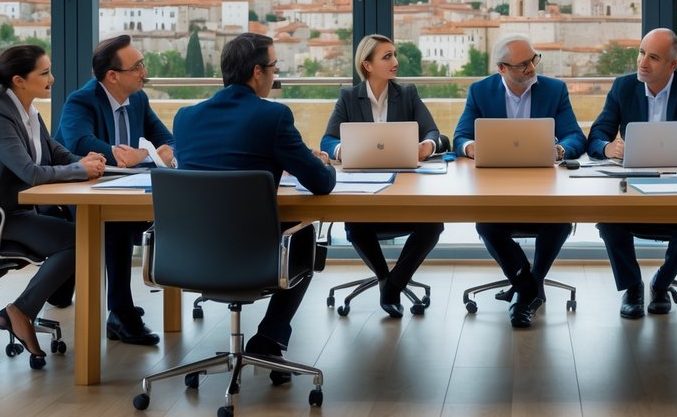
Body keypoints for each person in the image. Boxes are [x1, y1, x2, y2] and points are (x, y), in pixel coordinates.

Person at [0, 44, 107, 363]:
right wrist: (79, 171)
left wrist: (89, 162)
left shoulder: (27, 112)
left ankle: (21, 311)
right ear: (19, 80)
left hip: (9, 212)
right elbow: (30, 171)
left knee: (79, 237)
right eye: (44, 73)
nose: (52, 78)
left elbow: (55, 154)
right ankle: (20, 311)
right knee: (79, 240)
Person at [173, 32, 335, 379]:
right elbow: (321, 184)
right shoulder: (273, 117)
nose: (276, 74)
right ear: (258, 72)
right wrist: (320, 162)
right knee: (307, 238)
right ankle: (269, 337)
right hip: (255, 256)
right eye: (275, 67)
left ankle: (268, 338)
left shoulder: (185, 117)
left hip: (190, 256)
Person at [453, 34, 587, 329]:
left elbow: (576, 136)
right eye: (522, 64)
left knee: (560, 222)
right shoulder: (480, 91)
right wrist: (471, 147)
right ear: (502, 68)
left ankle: (525, 288)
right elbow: (460, 137)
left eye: (533, 59)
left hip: (545, 185)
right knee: (486, 223)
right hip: (496, 187)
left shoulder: (554, 90)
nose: (531, 68)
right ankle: (530, 288)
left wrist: (561, 149)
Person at [587, 28, 677, 318]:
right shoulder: (624, 87)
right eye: (641, 52)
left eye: (653, 57)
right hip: (632, 184)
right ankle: (632, 286)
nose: (642, 62)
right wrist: (608, 148)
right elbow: (597, 134)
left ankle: (661, 283)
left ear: (673, 65)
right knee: (609, 219)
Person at [55, 34, 175, 345]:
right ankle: (120, 312)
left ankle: (118, 305)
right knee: (116, 222)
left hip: (127, 189)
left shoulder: (139, 100)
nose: (144, 73)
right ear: (112, 76)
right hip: (78, 195)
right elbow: (80, 144)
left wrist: (144, 154)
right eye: (137, 67)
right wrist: (137, 155)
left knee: (168, 210)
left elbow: (169, 142)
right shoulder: (81, 101)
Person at [320, 34, 444, 318]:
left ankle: (393, 284)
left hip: (405, 187)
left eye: (394, 54)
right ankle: (385, 280)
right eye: (386, 56)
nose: (395, 61)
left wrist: (428, 146)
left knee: (433, 223)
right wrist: (343, 150)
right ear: (367, 64)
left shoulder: (407, 94)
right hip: (364, 186)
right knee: (355, 223)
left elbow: (433, 133)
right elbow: (327, 140)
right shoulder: (349, 98)